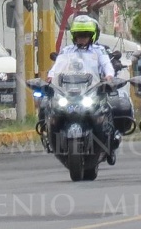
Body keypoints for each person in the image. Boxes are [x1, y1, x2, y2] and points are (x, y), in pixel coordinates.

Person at [45, 15, 119, 161]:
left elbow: (106, 65)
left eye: (85, 35)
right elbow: (57, 66)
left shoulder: (99, 51)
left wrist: (109, 76)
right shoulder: (67, 51)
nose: (82, 38)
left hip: (92, 91)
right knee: (48, 107)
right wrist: (50, 77)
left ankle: (110, 144)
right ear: (74, 36)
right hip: (69, 91)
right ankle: (49, 138)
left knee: (108, 109)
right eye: (79, 35)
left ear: (92, 36)